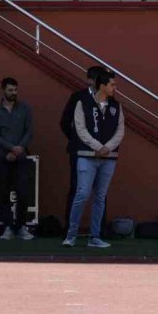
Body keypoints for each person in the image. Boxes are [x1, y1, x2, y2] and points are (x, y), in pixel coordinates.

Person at [64, 70, 124, 248]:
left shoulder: (116, 106)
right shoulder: (82, 102)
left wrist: (108, 148)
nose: (115, 88)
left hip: (109, 157)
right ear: (102, 86)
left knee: (100, 197)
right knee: (82, 194)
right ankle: (71, 235)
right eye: (112, 85)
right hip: (86, 156)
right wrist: (99, 147)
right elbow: (80, 130)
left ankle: (95, 237)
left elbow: (120, 131)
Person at [60, 65, 107, 231]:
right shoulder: (78, 97)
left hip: (101, 152)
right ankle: (70, 229)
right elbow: (64, 122)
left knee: (100, 191)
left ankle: (99, 229)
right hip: (79, 152)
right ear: (91, 80)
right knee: (76, 188)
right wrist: (77, 140)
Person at [0, 77, 34, 241]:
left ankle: (21, 227)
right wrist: (9, 149)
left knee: (23, 192)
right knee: (3, 192)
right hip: (1, 157)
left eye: (15, 90)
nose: (13, 93)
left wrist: (18, 149)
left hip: (21, 156)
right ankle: (7, 227)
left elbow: (29, 131)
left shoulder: (25, 109)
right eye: (10, 90)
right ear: (3, 90)